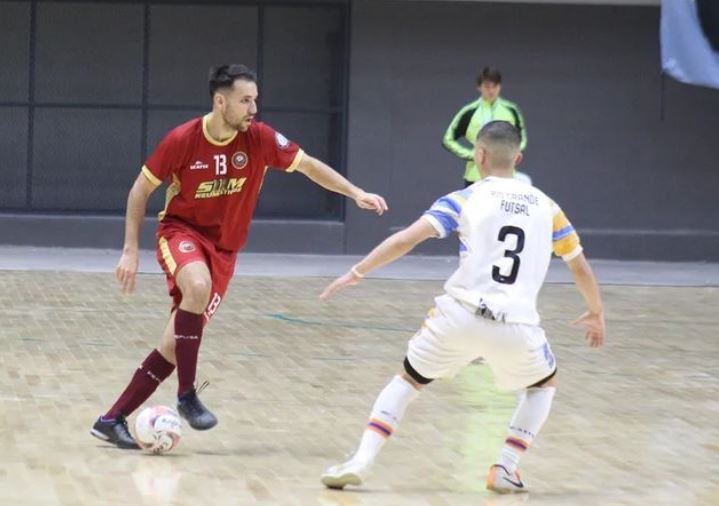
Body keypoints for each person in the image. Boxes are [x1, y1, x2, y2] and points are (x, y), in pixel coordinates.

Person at [90, 64, 388, 449]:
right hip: (181, 233)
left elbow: (310, 166)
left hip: (225, 252)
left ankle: (110, 419)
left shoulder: (260, 139)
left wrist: (355, 192)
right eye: (245, 101)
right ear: (220, 101)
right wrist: (130, 250)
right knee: (197, 286)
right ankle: (186, 397)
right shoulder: (183, 140)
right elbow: (138, 191)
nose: (253, 109)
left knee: (173, 345)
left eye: (255, 101)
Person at [319, 121, 604, 493]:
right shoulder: (549, 208)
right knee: (544, 383)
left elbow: (406, 238)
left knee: (408, 380)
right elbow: (579, 265)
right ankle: (505, 466)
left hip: (459, 316)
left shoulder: (464, 198)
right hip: (516, 325)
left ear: (479, 156)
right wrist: (596, 311)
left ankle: (362, 458)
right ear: (518, 158)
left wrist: (357, 272)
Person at [443, 67, 530, 187]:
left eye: (495, 86)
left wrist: (509, 154)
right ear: (479, 87)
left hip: (505, 176)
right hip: (475, 176)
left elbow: (522, 140)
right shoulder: (469, 112)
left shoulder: (511, 110)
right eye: (487, 87)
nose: (491, 91)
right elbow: (448, 139)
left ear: (500, 87)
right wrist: (471, 155)